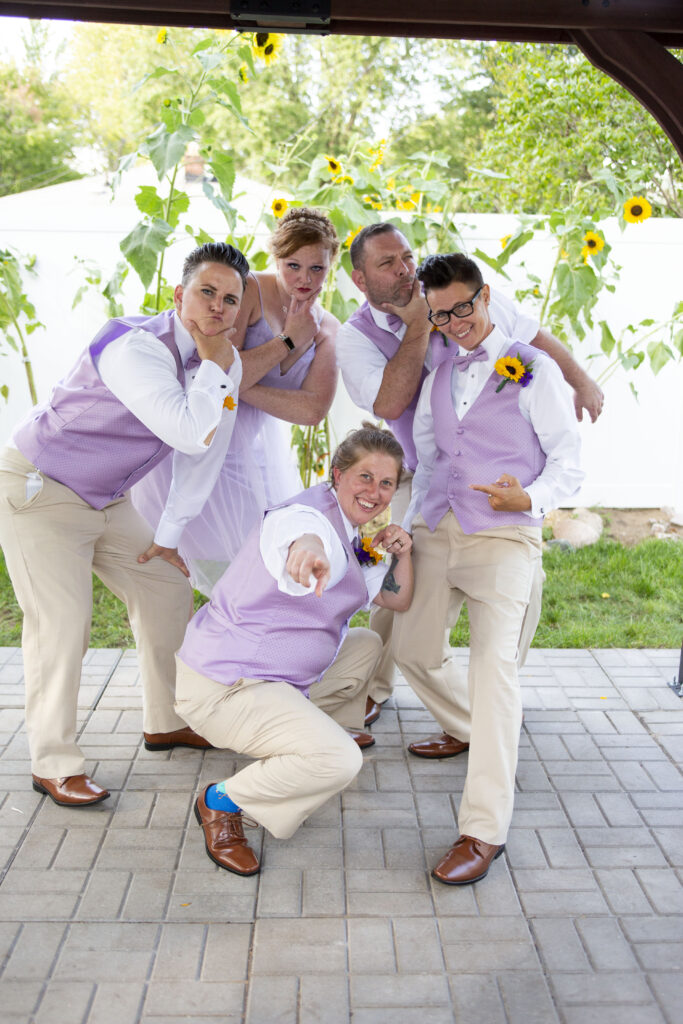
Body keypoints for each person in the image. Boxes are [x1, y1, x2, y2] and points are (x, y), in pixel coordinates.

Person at [0, 242, 249, 806]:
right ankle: (53, 762)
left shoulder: (223, 362)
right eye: (206, 292)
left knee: (165, 587)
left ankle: (167, 721)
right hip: (41, 489)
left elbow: (203, 455)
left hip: (107, 501)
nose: (217, 307)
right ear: (178, 294)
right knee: (63, 623)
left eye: (230, 299)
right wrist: (214, 365)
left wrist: (166, 539)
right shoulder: (135, 346)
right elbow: (186, 430)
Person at [336, 222, 604, 726]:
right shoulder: (354, 338)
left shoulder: (458, 292)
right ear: (360, 278)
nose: (404, 270)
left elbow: (531, 338)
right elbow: (391, 400)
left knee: (522, 590)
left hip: (502, 483)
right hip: (417, 472)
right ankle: (380, 689)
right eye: (387, 264)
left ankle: (495, 697)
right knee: (396, 591)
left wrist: (581, 379)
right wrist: (421, 324)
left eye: (407, 257)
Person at [393, 253, 583, 885]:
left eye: (463, 308)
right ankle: (479, 730)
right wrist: (416, 522)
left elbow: (568, 461)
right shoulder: (440, 368)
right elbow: (425, 448)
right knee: (413, 649)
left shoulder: (535, 370)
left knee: (493, 667)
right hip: (438, 529)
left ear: (485, 296)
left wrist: (529, 499)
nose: (454, 323)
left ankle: (483, 828)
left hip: (503, 538)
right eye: (440, 314)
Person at [174, 424, 414, 876]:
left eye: (386, 483)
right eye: (364, 477)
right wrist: (307, 553)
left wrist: (403, 554)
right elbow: (299, 538)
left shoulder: (352, 534)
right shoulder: (304, 518)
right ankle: (222, 803)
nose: (375, 492)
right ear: (337, 474)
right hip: (227, 686)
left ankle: (313, 736)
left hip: (278, 681)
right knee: (340, 761)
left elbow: (397, 600)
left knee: (365, 643)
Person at [133, 207, 339, 595]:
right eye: (293, 265)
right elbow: (218, 366)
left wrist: (240, 387)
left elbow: (312, 411)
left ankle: (231, 642)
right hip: (203, 433)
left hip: (255, 455)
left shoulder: (328, 327)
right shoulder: (246, 292)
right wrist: (289, 341)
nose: (305, 279)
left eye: (318, 269)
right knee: (173, 569)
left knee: (256, 567)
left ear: (332, 263)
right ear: (275, 257)